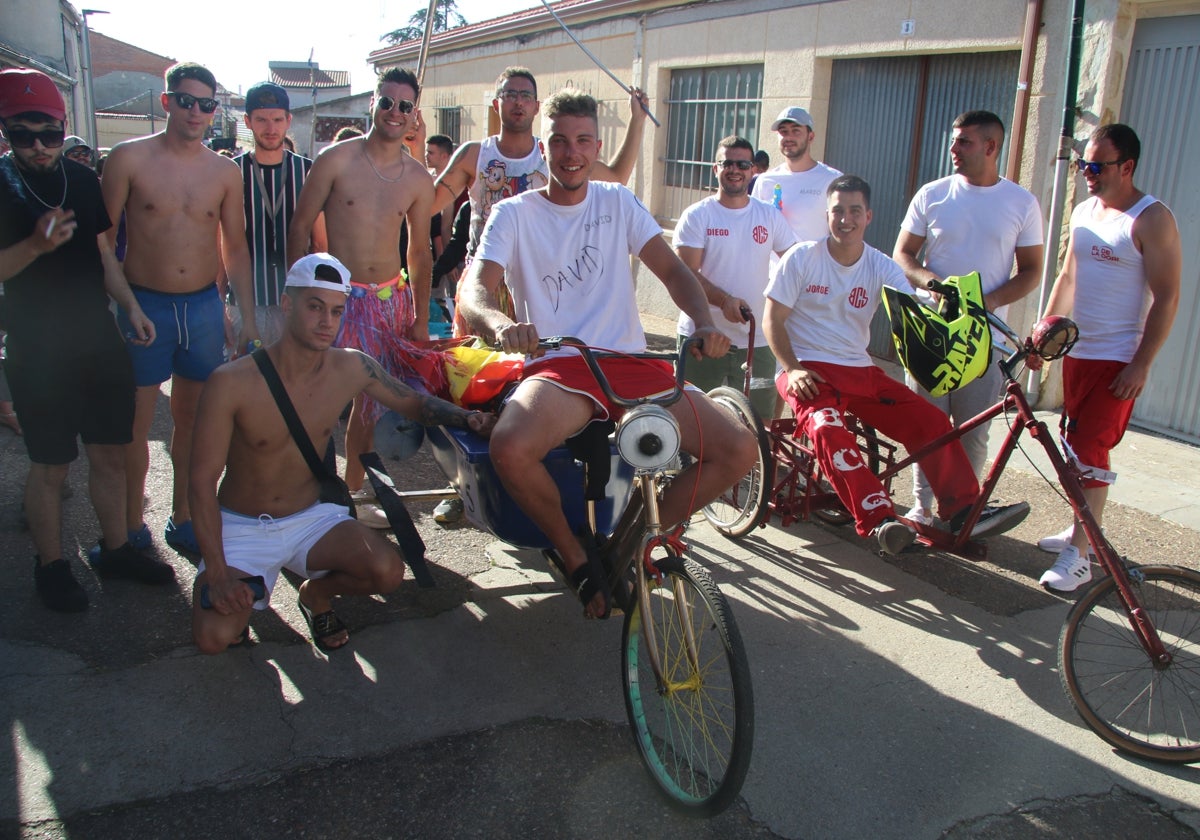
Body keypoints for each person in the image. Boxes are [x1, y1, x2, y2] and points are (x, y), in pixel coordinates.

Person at [457, 89, 758, 619]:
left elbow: (673, 271)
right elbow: (473, 290)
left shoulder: (617, 202)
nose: (572, 153)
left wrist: (706, 323)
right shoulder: (513, 213)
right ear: (542, 149)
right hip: (561, 365)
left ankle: (633, 543)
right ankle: (575, 555)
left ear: (597, 146)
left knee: (738, 449)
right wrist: (503, 324)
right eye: (559, 141)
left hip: (631, 365)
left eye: (583, 141)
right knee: (509, 446)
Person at [189, 253, 495, 653]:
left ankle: (315, 595)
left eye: (335, 311)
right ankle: (242, 595)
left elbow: (413, 404)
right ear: (287, 304)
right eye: (314, 307)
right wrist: (216, 571)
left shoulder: (351, 367)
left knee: (386, 572)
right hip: (243, 524)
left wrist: (467, 419)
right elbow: (199, 481)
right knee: (214, 639)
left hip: (309, 518)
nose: (326, 322)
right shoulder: (230, 382)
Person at [763, 174, 1028, 555]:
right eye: (838, 210)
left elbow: (916, 309)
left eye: (855, 210)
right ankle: (880, 518)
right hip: (807, 370)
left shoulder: (880, 265)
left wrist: (953, 309)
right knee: (826, 427)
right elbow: (773, 319)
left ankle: (963, 510)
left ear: (868, 216)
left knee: (932, 422)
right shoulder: (802, 256)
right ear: (827, 214)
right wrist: (792, 367)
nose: (845, 219)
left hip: (860, 370)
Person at [429, 67, 650, 524]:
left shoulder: (604, 193)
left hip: (586, 332)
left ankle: (630, 529)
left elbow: (616, 176)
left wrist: (638, 120)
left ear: (532, 105)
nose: (517, 101)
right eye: (509, 93)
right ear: (498, 102)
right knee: (487, 389)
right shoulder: (479, 155)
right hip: (496, 284)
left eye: (525, 95)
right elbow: (431, 199)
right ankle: (467, 484)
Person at [0, 68, 173, 612]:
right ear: (6, 130)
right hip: (36, 349)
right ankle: (51, 565)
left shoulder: (81, 180)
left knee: (112, 456)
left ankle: (115, 549)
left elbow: (103, 256)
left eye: (49, 133)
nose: (39, 146)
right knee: (50, 465)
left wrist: (131, 307)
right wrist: (33, 245)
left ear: (63, 126)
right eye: (23, 134)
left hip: (97, 341)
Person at [101, 61, 257, 557]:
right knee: (135, 427)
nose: (195, 111)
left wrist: (244, 313)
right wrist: (125, 303)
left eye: (205, 104)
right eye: (185, 100)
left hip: (203, 309)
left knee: (194, 422)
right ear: (166, 101)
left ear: (215, 111)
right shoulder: (128, 158)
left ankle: (183, 515)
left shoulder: (224, 171)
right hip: (143, 302)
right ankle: (130, 524)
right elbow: (102, 242)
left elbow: (234, 247)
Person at [1034, 124, 1181, 593]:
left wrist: (1141, 363)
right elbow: (1068, 277)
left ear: (1128, 166)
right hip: (1078, 353)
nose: (1087, 174)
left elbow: (1167, 297)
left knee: (1092, 451)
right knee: (1074, 445)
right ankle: (1081, 527)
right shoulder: (1083, 212)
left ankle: (1081, 555)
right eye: (1083, 165)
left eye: (1096, 166)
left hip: (1117, 359)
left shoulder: (1151, 218)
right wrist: (1044, 336)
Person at [285, 67, 434, 523]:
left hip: (388, 301)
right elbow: (299, 228)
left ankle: (347, 499)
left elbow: (419, 250)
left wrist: (422, 317)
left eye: (404, 106)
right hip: (335, 298)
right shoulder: (335, 160)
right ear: (372, 102)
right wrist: (295, 298)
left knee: (367, 406)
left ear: (414, 116)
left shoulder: (417, 178)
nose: (394, 112)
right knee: (313, 401)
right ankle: (304, 496)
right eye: (386, 101)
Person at [893, 110, 1044, 525]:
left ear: (991, 147)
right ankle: (922, 507)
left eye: (964, 142)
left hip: (985, 339)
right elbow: (903, 254)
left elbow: (1031, 270)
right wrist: (932, 283)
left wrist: (989, 301)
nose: (953, 150)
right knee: (928, 425)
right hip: (932, 335)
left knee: (973, 432)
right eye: (954, 141)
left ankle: (962, 509)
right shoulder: (933, 193)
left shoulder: (1020, 202)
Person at [673, 135, 796, 419]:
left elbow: (794, 263)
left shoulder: (769, 216)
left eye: (742, 163)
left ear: (754, 170)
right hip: (703, 337)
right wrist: (724, 300)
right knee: (696, 421)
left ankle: (757, 466)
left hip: (758, 342)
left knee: (761, 423)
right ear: (715, 169)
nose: (735, 169)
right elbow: (685, 274)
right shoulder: (697, 215)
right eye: (727, 163)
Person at [231, 82, 326, 348]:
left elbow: (320, 244)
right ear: (248, 121)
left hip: (298, 301)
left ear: (288, 120)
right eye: (261, 120)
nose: (270, 128)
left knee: (297, 381)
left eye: (277, 119)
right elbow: (221, 243)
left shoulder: (309, 172)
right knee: (247, 381)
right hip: (246, 301)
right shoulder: (230, 172)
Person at [750, 106, 842, 244]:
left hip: (812, 265)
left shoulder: (832, 180)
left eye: (796, 131)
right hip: (773, 266)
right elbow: (754, 228)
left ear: (810, 137)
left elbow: (841, 232)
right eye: (783, 131)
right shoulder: (765, 181)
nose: (789, 137)